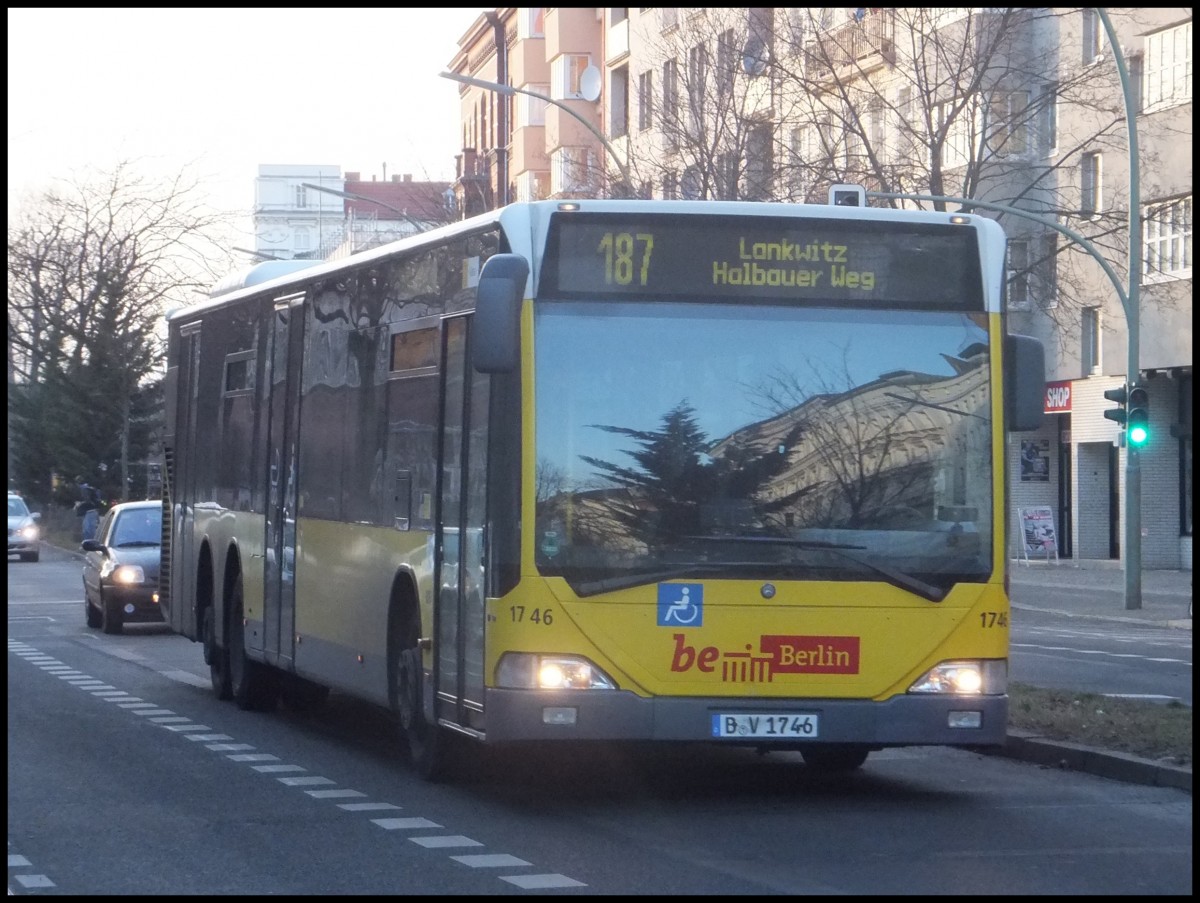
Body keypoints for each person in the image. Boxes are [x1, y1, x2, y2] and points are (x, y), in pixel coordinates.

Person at [75, 476, 102, 541]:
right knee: (89, 528)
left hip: (89, 511)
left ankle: (90, 543)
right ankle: (91, 541)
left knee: (88, 529)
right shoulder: (89, 488)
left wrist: (79, 504)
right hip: (92, 510)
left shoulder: (84, 489)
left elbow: (87, 501)